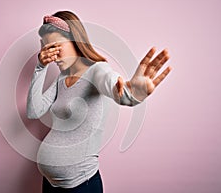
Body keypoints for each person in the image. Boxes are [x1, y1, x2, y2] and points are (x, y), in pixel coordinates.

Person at [26, 10, 171, 193]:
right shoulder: (61, 79)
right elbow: (34, 110)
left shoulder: (97, 71)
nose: (53, 56)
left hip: (81, 187)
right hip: (50, 185)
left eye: (56, 46)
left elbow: (117, 89)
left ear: (75, 41)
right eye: (48, 49)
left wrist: (132, 93)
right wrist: (40, 66)